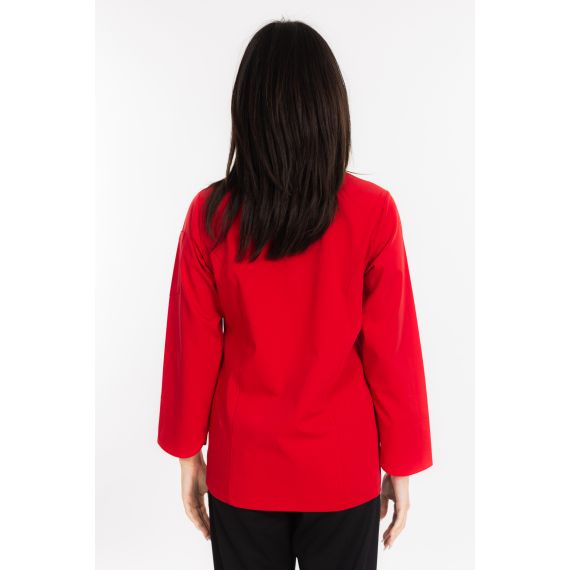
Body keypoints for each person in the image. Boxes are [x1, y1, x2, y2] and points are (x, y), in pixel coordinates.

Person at [157, 19, 433, 570]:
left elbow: (193, 349)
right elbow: (392, 353)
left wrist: (189, 455)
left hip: (244, 468)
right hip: (343, 468)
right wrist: (400, 464)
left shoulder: (211, 216)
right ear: (331, 110)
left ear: (247, 112)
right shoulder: (373, 212)